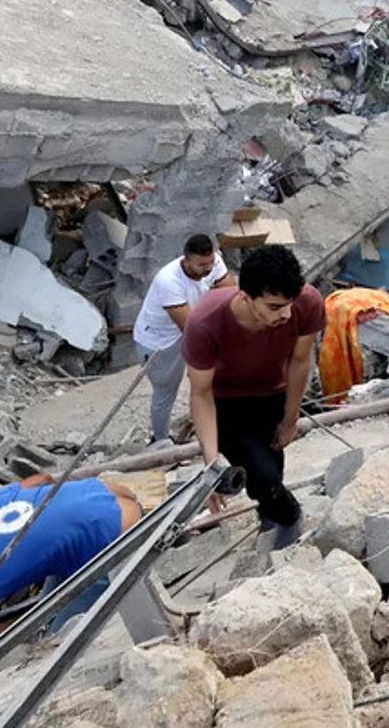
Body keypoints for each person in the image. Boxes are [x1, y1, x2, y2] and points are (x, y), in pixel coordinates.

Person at [185, 244, 324, 547]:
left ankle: (269, 513)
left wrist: (290, 418)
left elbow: (300, 361)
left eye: (289, 303)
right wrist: (212, 463)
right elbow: (200, 394)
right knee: (262, 473)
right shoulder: (205, 323)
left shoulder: (308, 303)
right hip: (226, 401)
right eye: (274, 307)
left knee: (272, 466)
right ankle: (290, 518)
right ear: (246, 297)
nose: (286, 314)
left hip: (272, 392)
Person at [0, 473, 143, 649]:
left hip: (116, 532)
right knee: (49, 599)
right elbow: (42, 479)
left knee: (59, 639)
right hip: (100, 489)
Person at [131, 234, 228, 445]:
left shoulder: (214, 262)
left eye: (210, 262)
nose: (208, 268)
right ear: (186, 261)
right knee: (166, 391)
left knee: (210, 380)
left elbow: (229, 292)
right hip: (159, 341)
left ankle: (212, 425)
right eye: (202, 265)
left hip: (190, 328)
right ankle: (160, 439)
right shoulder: (169, 281)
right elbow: (190, 327)